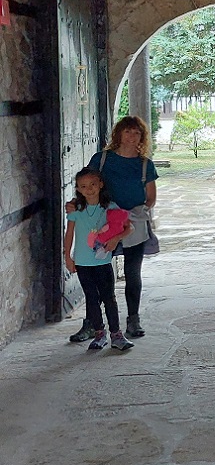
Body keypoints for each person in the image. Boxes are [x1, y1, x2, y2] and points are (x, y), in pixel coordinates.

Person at [68, 116, 159, 342]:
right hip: (101, 221)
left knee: (132, 272)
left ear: (142, 137)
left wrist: (131, 214)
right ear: (118, 133)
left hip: (132, 222)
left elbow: (151, 197)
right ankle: (92, 324)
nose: (132, 136)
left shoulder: (145, 164)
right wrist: (76, 204)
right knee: (96, 274)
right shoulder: (102, 159)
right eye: (127, 131)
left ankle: (133, 320)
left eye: (136, 132)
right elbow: (86, 184)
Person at [64, 168, 134, 351]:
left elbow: (129, 228)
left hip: (102, 262)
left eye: (93, 184)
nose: (89, 189)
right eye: (83, 186)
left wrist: (116, 238)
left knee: (109, 298)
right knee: (92, 299)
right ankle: (99, 334)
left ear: (101, 184)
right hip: (82, 263)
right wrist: (67, 257)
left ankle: (116, 334)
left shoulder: (110, 207)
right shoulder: (77, 209)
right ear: (78, 189)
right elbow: (69, 233)